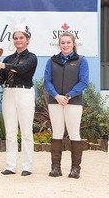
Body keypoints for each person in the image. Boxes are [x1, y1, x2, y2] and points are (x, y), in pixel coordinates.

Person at [0, 24, 37, 177]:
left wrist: (3, 65)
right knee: (10, 132)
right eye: (16, 38)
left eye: (21, 38)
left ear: (27, 40)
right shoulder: (9, 58)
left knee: (26, 132)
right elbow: (2, 80)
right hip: (9, 93)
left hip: (24, 93)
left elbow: (22, 70)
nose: (18, 41)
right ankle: (10, 165)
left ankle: (27, 166)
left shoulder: (31, 58)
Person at [44, 32, 89, 179]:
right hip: (55, 101)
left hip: (73, 102)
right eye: (62, 43)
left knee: (74, 134)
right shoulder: (52, 61)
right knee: (56, 133)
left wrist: (68, 96)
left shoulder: (81, 60)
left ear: (73, 44)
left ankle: (75, 169)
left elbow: (83, 82)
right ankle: (55, 168)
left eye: (68, 42)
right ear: (59, 44)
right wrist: (57, 96)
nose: (65, 45)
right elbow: (47, 81)